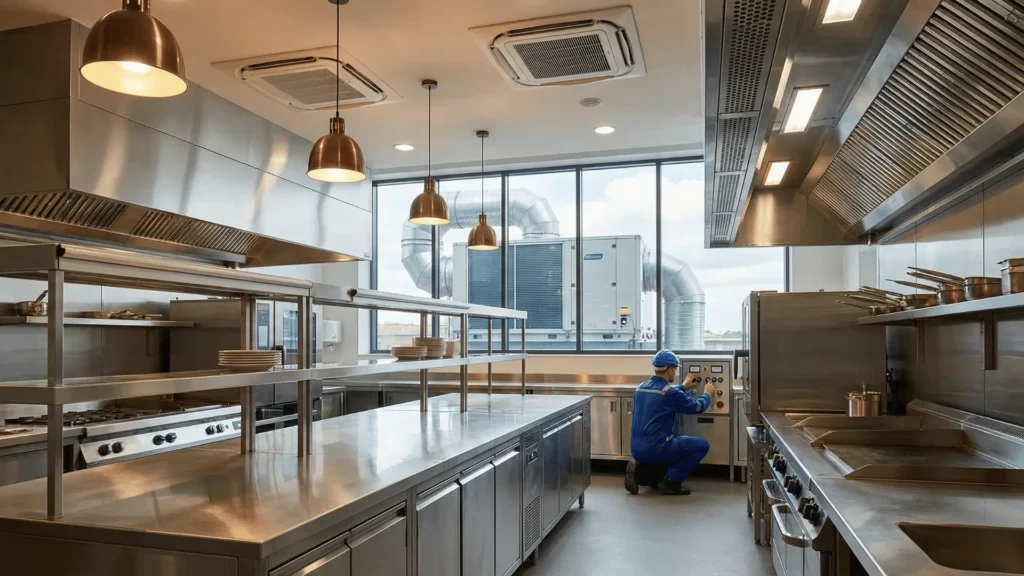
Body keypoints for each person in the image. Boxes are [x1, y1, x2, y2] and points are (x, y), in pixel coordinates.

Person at [624, 350, 716, 495]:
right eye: (675, 370)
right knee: (702, 445)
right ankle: (672, 481)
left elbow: (663, 396)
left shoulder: (640, 388)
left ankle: (641, 472)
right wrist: (707, 394)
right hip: (657, 449)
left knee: (654, 478)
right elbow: (697, 406)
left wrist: (683, 386)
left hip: (636, 448)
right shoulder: (669, 393)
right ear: (671, 369)